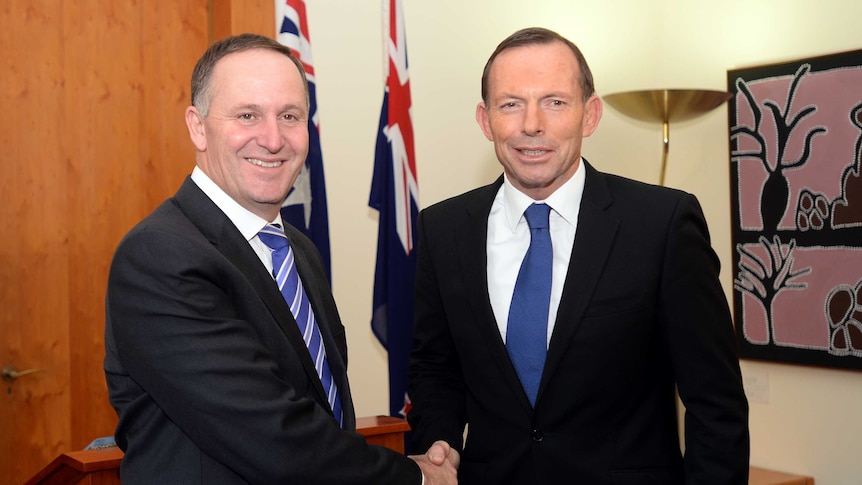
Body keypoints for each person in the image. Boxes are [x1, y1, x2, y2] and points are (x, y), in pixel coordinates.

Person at [104, 33, 456, 484]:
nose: (272, 139)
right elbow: (271, 435)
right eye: (247, 115)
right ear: (197, 126)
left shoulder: (298, 250)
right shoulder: (159, 256)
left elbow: (320, 409)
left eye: (290, 116)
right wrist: (417, 478)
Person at [407, 27, 750, 484]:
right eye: (511, 104)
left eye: (554, 101)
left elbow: (716, 405)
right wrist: (440, 444)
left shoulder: (662, 225)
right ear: (485, 120)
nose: (532, 124)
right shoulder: (442, 229)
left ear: (590, 115)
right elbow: (434, 367)